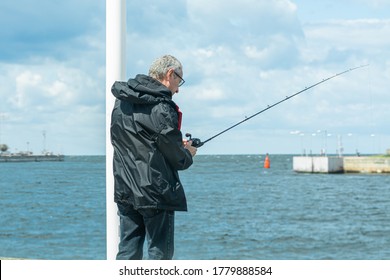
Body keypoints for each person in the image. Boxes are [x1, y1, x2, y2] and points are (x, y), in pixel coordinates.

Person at [110, 55, 197, 260]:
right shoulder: (162, 106)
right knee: (160, 255)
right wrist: (188, 153)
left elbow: (132, 141)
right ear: (169, 74)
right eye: (179, 80)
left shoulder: (121, 102)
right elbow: (178, 159)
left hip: (126, 188)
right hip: (155, 192)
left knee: (127, 251)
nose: (178, 89)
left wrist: (175, 146)